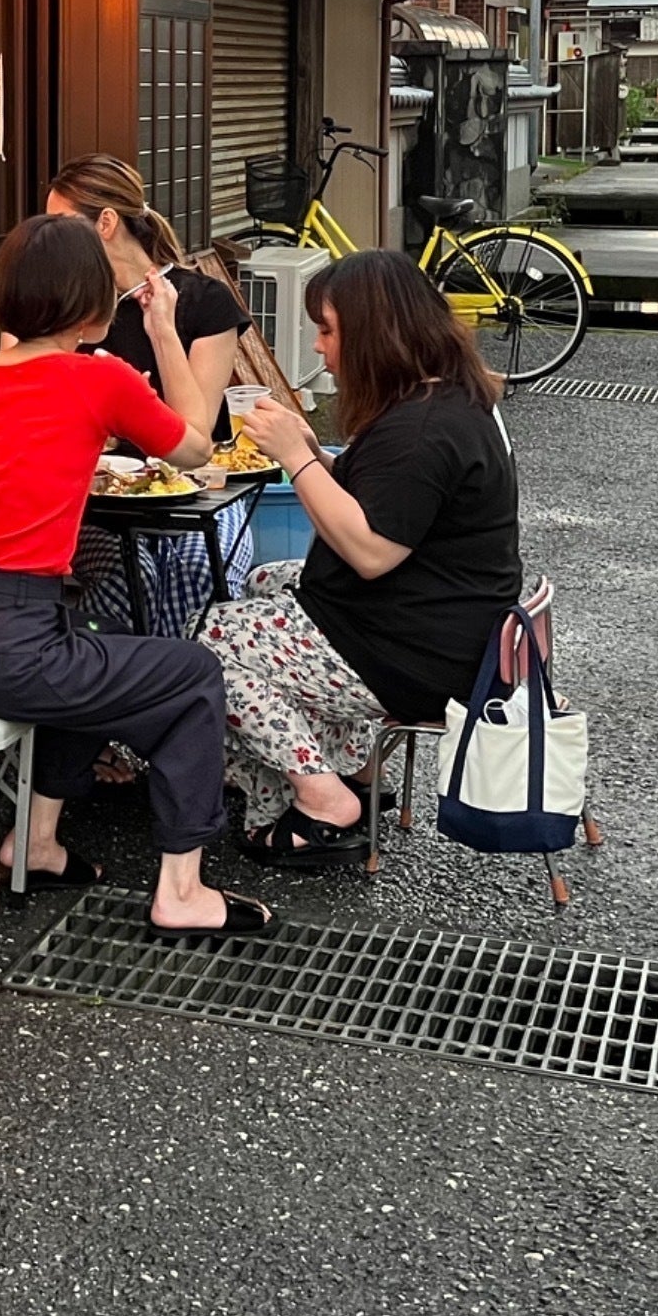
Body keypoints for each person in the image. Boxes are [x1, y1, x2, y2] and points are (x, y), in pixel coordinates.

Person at [0, 213, 267, 936]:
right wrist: (163, 331)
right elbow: (196, 449)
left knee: (95, 636)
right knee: (192, 675)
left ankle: (35, 844)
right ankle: (182, 891)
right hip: (12, 651)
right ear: (93, 304)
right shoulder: (100, 379)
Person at [200, 251, 521, 865]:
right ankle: (354, 769)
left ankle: (324, 799)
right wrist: (318, 455)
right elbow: (384, 501)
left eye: (326, 330)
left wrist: (296, 458)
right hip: (445, 621)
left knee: (207, 642)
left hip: (417, 651)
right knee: (266, 580)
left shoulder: (422, 430)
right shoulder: (443, 398)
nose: (318, 346)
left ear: (375, 334)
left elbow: (370, 551)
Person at [43, 155, 248, 634]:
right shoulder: (68, 308)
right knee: (128, 576)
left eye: (61, 224)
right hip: (95, 501)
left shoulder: (204, 301)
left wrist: (164, 331)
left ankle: (174, 674)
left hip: (198, 492)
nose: (51, 240)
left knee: (195, 572)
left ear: (106, 223)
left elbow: (196, 435)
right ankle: (134, 674)